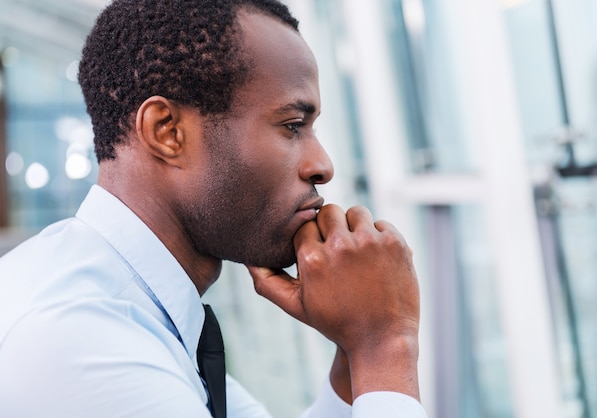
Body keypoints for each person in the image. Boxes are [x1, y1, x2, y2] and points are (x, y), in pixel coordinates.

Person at [0, 1, 427, 417]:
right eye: (292, 126)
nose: (323, 166)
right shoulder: (80, 341)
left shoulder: (133, 309)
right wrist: (385, 346)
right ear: (166, 131)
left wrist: (354, 357)